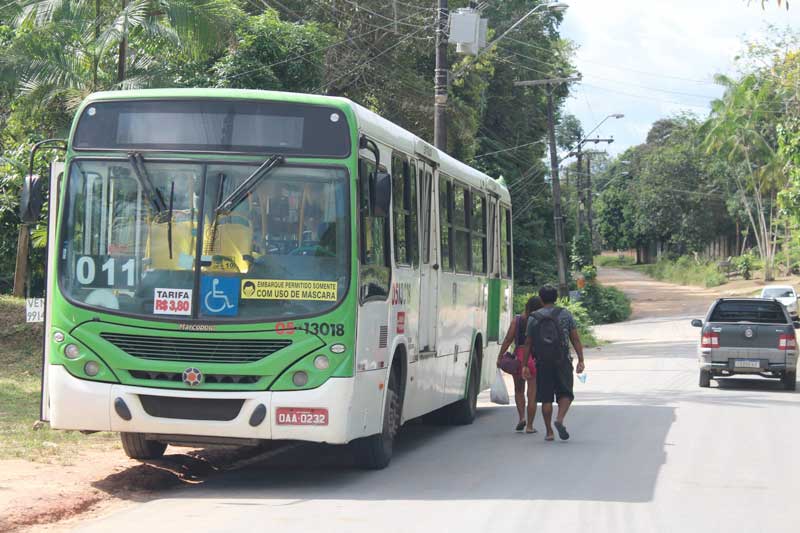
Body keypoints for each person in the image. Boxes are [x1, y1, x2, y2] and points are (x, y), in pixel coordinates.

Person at [522, 285, 585, 441]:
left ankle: (549, 431)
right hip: (562, 359)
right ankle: (560, 419)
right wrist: (581, 359)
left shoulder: (534, 317)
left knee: (546, 397)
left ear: (541, 298)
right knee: (565, 392)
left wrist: (524, 364)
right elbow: (575, 338)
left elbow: (528, 343)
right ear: (556, 298)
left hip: (542, 361)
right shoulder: (565, 314)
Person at [497, 296, 542, 433]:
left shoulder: (517, 320)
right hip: (534, 358)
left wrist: (500, 356)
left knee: (518, 390)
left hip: (519, 358)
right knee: (532, 394)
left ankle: (522, 417)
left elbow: (508, 339)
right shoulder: (540, 321)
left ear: (527, 306)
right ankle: (530, 426)